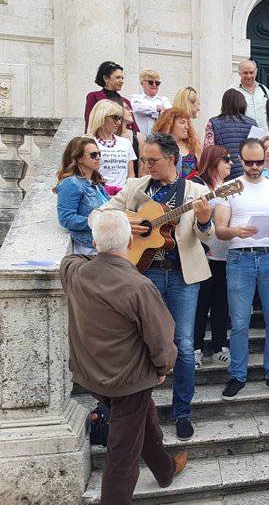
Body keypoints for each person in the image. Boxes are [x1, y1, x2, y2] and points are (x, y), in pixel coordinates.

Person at [89, 132, 213, 441]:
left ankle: (182, 411)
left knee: (183, 345)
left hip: (183, 276)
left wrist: (205, 220)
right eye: (143, 159)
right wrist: (122, 223)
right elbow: (99, 213)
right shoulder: (135, 188)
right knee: (141, 343)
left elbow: (207, 237)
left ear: (171, 160)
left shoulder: (196, 190)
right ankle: (142, 411)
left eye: (152, 160)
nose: (145, 165)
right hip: (143, 275)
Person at [60, 211, 186, 505]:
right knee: (122, 454)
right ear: (131, 241)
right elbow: (162, 338)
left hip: (91, 374)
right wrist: (162, 367)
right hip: (129, 381)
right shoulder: (139, 286)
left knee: (144, 416)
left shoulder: (75, 271)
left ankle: (164, 468)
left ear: (93, 242)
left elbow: (71, 259)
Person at [214, 140, 269, 397]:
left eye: (260, 162)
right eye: (249, 162)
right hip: (240, 257)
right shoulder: (229, 188)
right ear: (240, 160)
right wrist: (238, 230)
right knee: (238, 321)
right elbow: (220, 230)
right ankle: (237, 374)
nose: (255, 167)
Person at [191, 145, 232, 369]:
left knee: (221, 303)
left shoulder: (229, 187)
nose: (230, 163)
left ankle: (219, 345)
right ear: (214, 160)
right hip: (202, 254)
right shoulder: (197, 184)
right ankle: (195, 348)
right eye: (226, 159)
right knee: (200, 304)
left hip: (224, 254)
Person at [55, 137, 110, 254]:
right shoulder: (70, 183)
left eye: (99, 154)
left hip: (103, 244)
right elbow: (66, 218)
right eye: (93, 155)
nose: (98, 157)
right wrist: (99, 221)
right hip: (88, 248)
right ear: (79, 158)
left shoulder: (95, 183)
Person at [203, 89, 258, 179]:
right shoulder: (252, 123)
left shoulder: (213, 123)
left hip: (223, 174)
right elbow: (256, 151)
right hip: (247, 173)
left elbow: (207, 150)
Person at [86, 99, 137, 191]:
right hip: (97, 194)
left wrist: (128, 193)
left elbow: (131, 175)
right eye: (115, 118)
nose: (118, 122)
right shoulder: (88, 143)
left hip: (121, 197)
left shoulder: (125, 143)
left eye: (120, 118)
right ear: (102, 117)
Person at [85, 61, 140, 133]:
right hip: (102, 140)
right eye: (118, 77)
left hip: (124, 141)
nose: (121, 81)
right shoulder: (94, 96)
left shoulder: (126, 102)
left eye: (122, 78)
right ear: (106, 78)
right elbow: (89, 123)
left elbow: (134, 127)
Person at [153, 108, 202, 179]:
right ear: (170, 124)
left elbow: (202, 173)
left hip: (190, 188)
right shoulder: (157, 147)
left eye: (187, 123)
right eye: (182, 122)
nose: (187, 127)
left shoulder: (193, 147)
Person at [129, 69, 171, 137]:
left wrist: (150, 110)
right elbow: (136, 108)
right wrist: (157, 110)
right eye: (151, 82)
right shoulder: (135, 98)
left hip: (158, 142)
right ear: (142, 83)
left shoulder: (164, 100)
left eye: (157, 83)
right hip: (140, 140)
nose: (154, 85)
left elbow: (169, 113)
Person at [233, 59, 269, 129]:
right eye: (245, 73)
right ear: (239, 73)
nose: (249, 76)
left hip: (264, 135)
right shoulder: (233, 90)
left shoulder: (264, 89)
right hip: (243, 134)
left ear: (256, 72)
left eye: (251, 72)